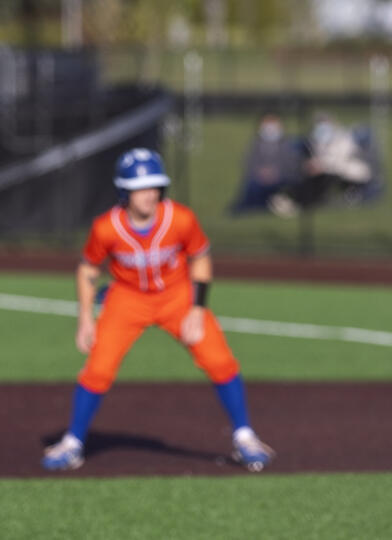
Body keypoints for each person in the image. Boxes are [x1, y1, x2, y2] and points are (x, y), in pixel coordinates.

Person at [42, 148, 275, 473]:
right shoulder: (106, 228)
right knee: (98, 369)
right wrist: (85, 317)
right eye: (141, 187)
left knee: (219, 359)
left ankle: (245, 436)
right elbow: (88, 270)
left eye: (155, 186)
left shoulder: (179, 218)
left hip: (176, 295)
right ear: (125, 190)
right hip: (127, 298)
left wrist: (197, 308)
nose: (150, 194)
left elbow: (201, 258)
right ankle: (74, 442)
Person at [268, 114, 372, 217]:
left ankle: (298, 203)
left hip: (350, 174)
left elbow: (340, 160)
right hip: (327, 172)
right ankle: (293, 200)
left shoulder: (344, 138)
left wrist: (321, 165)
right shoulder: (316, 140)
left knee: (321, 179)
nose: (321, 130)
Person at [229, 112, 300, 214]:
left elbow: (291, 163)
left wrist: (276, 172)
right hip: (259, 179)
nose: (270, 128)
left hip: (281, 178)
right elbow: (249, 162)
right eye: (267, 123)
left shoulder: (287, 143)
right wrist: (260, 172)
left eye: (273, 123)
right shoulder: (256, 144)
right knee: (251, 188)